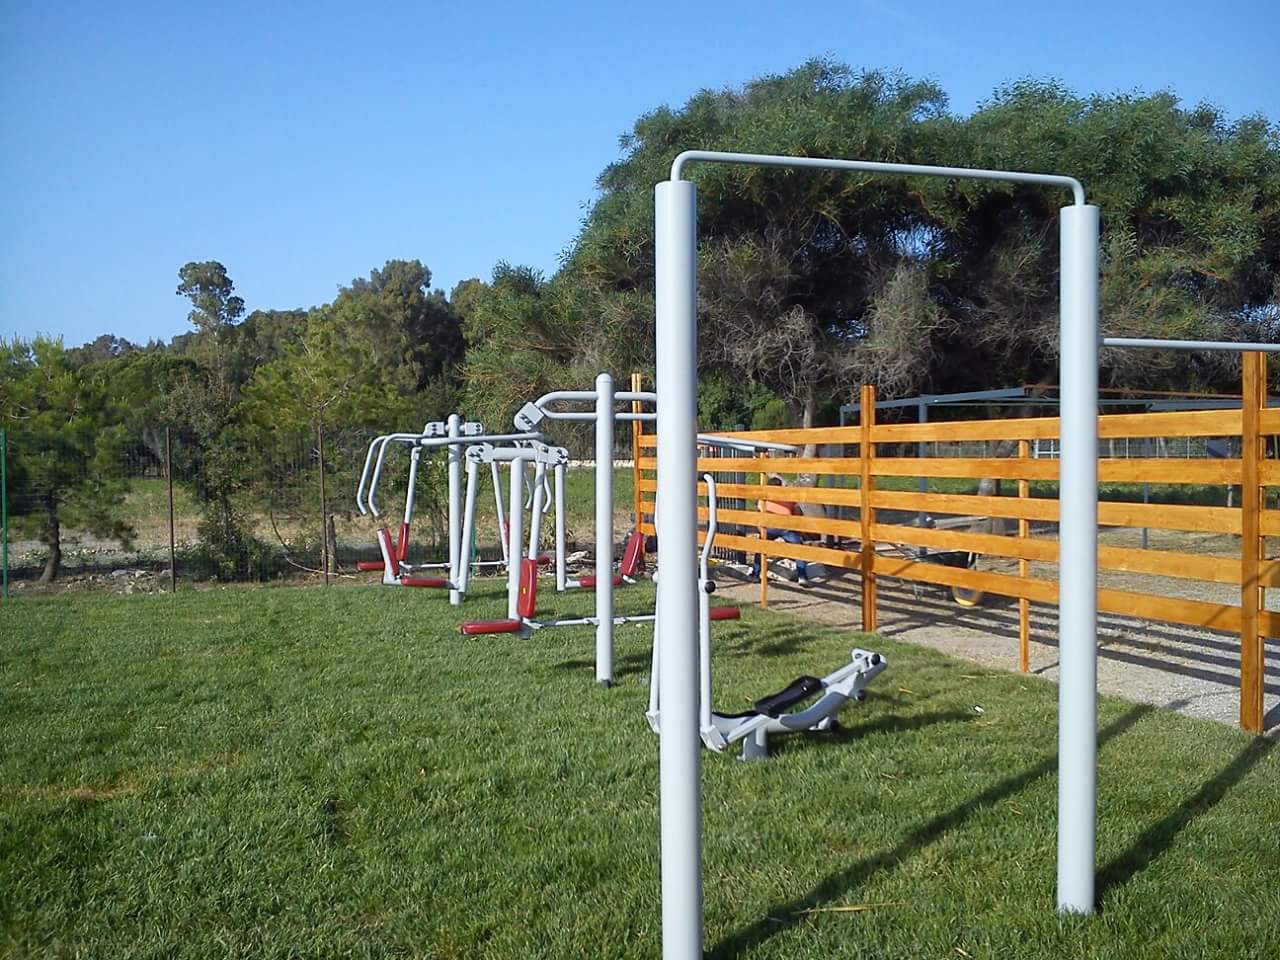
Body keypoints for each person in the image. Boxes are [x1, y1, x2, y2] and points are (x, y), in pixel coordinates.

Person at [746, 476, 812, 587]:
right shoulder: (787, 495)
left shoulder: (764, 496)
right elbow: (797, 512)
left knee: (761, 549)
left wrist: (760, 529)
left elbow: (759, 512)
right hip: (786, 526)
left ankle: (755, 574)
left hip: (769, 526)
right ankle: (802, 577)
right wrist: (798, 528)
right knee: (799, 549)